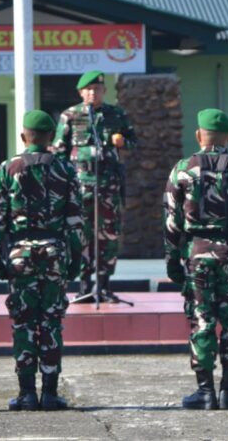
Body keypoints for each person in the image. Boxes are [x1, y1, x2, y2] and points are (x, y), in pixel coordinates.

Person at [164, 108, 228, 410]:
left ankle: (205, 391)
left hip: (197, 254)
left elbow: (172, 223)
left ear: (199, 135)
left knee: (202, 320)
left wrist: (172, 261)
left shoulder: (183, 169)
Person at [0, 110, 85, 411]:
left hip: (20, 253)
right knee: (52, 321)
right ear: (50, 138)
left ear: (23, 136)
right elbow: (74, 219)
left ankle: (27, 393)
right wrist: (76, 257)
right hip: (55, 251)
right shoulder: (66, 168)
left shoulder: (8, 168)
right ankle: (51, 393)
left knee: (23, 322)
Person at [52, 70, 137, 301]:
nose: (93, 93)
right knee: (82, 235)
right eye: (88, 89)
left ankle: (105, 284)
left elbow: (134, 142)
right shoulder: (70, 116)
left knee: (108, 235)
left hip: (108, 186)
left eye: (97, 89)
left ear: (104, 91)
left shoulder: (116, 114)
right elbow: (58, 151)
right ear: (81, 92)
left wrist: (123, 142)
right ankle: (84, 285)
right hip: (80, 188)